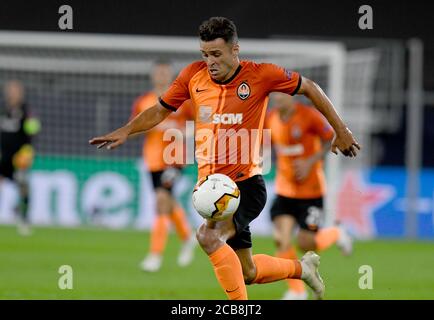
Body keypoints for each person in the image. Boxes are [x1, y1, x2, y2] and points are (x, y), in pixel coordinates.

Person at [90, 17, 360, 300]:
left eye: (216, 54)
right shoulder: (193, 76)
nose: (210, 62)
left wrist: (341, 131)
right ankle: (302, 270)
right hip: (211, 187)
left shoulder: (261, 75)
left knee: (207, 237)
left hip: (245, 187)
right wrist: (126, 130)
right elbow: (160, 110)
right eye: (205, 55)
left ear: (235, 50)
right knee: (248, 273)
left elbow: (310, 87)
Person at [266, 92, 353, 300]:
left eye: (283, 95)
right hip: (285, 189)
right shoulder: (270, 118)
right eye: (275, 95)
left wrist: (309, 162)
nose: (278, 99)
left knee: (306, 242)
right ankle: (297, 292)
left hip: (311, 191)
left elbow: (328, 138)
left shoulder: (309, 116)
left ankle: (336, 233)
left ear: (293, 97)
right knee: (281, 240)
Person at [131, 61, 197, 272]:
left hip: (175, 158)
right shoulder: (144, 102)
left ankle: (155, 255)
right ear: (152, 76)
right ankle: (188, 238)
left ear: (170, 75)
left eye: (164, 72)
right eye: (158, 72)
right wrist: (148, 127)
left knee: (161, 201)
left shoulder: (182, 100)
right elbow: (135, 127)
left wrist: (189, 131)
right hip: (152, 159)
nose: (161, 76)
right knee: (167, 201)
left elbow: (203, 119)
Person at [0, 80, 40, 236]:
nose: (12, 93)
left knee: (23, 187)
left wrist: (27, 151)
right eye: (10, 90)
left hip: (19, 157)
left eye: (15, 91)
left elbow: (33, 131)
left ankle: (24, 220)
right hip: (2, 155)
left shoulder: (26, 110)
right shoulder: (3, 109)